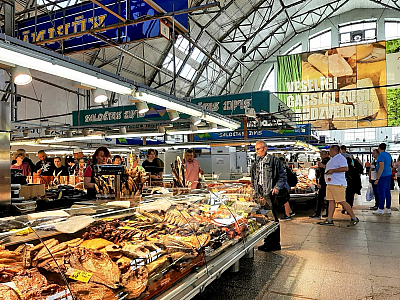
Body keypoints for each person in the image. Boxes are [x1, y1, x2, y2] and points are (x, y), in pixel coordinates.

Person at [250, 140, 287, 251]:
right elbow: (253, 178)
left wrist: (276, 188)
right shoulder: (256, 162)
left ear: (265, 148)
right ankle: (267, 242)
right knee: (264, 219)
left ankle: (275, 244)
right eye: (255, 149)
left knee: (272, 219)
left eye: (258, 149)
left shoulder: (274, 161)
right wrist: (253, 192)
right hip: (259, 195)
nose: (256, 151)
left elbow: (282, 177)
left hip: (269, 195)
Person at [318, 145, 359, 226]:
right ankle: (329, 219)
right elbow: (330, 168)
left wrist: (333, 170)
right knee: (331, 201)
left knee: (341, 201)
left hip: (338, 184)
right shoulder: (333, 159)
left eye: (330, 150)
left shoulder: (341, 158)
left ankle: (354, 218)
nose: (329, 152)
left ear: (333, 150)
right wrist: (323, 167)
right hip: (330, 183)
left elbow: (345, 168)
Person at [309, 150, 330, 219]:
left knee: (320, 198)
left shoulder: (324, 161)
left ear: (323, 155)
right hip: (328, 182)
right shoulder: (330, 161)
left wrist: (319, 183)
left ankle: (317, 214)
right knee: (328, 198)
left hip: (323, 183)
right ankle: (328, 213)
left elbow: (321, 174)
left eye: (321, 155)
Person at [374, 143, 393, 214]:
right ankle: (388, 208)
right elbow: (392, 165)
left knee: (381, 192)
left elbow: (381, 167)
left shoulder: (381, 155)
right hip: (389, 174)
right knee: (387, 192)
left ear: (379, 148)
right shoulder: (388, 154)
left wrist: (377, 179)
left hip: (383, 176)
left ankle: (381, 208)